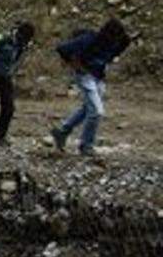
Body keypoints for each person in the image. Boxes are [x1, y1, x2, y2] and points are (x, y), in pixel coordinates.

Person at [51, 19, 134, 156]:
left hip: (98, 76)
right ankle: (86, 145)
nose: (114, 40)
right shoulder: (90, 39)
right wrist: (76, 65)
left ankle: (62, 131)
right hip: (84, 76)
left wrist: (113, 56)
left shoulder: (118, 41)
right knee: (96, 111)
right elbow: (62, 48)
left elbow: (124, 43)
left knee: (87, 109)